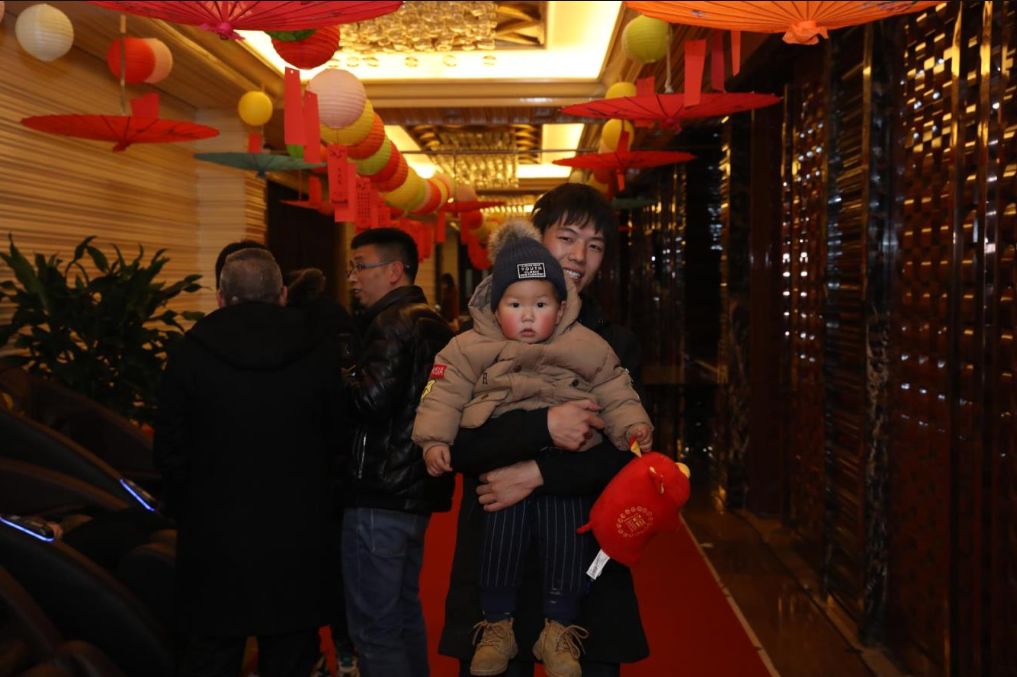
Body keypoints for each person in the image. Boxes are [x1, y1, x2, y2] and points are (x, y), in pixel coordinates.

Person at [413, 221, 651, 677]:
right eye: (567, 238)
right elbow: (445, 403)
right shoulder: (470, 346)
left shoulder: (598, 344)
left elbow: (618, 404)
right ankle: (496, 625)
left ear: (559, 308)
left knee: (566, 531)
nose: (579, 254)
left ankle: (559, 626)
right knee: (501, 528)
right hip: (494, 507)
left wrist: (631, 427)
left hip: (578, 520)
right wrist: (435, 439)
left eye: (595, 244)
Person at [154, 248, 344, 677]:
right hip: (298, 532)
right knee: (291, 653)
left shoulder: (191, 351)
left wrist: (187, 508)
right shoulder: (317, 349)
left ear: (221, 297)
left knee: (211, 653)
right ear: (282, 294)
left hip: (214, 534)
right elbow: (338, 439)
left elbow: (169, 447)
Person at [340, 228, 455, 677]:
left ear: (393, 271)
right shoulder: (432, 321)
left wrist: (341, 368)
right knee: (403, 614)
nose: (353, 278)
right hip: (414, 486)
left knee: (375, 628)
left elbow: (370, 401)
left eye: (360, 266)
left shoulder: (391, 323)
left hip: (380, 489)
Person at [284, 267, 360, 677]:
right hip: (334, 466)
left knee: (302, 571)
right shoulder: (337, 317)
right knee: (337, 566)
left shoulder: (287, 329)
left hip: (298, 471)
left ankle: (312, 652)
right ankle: (347, 650)